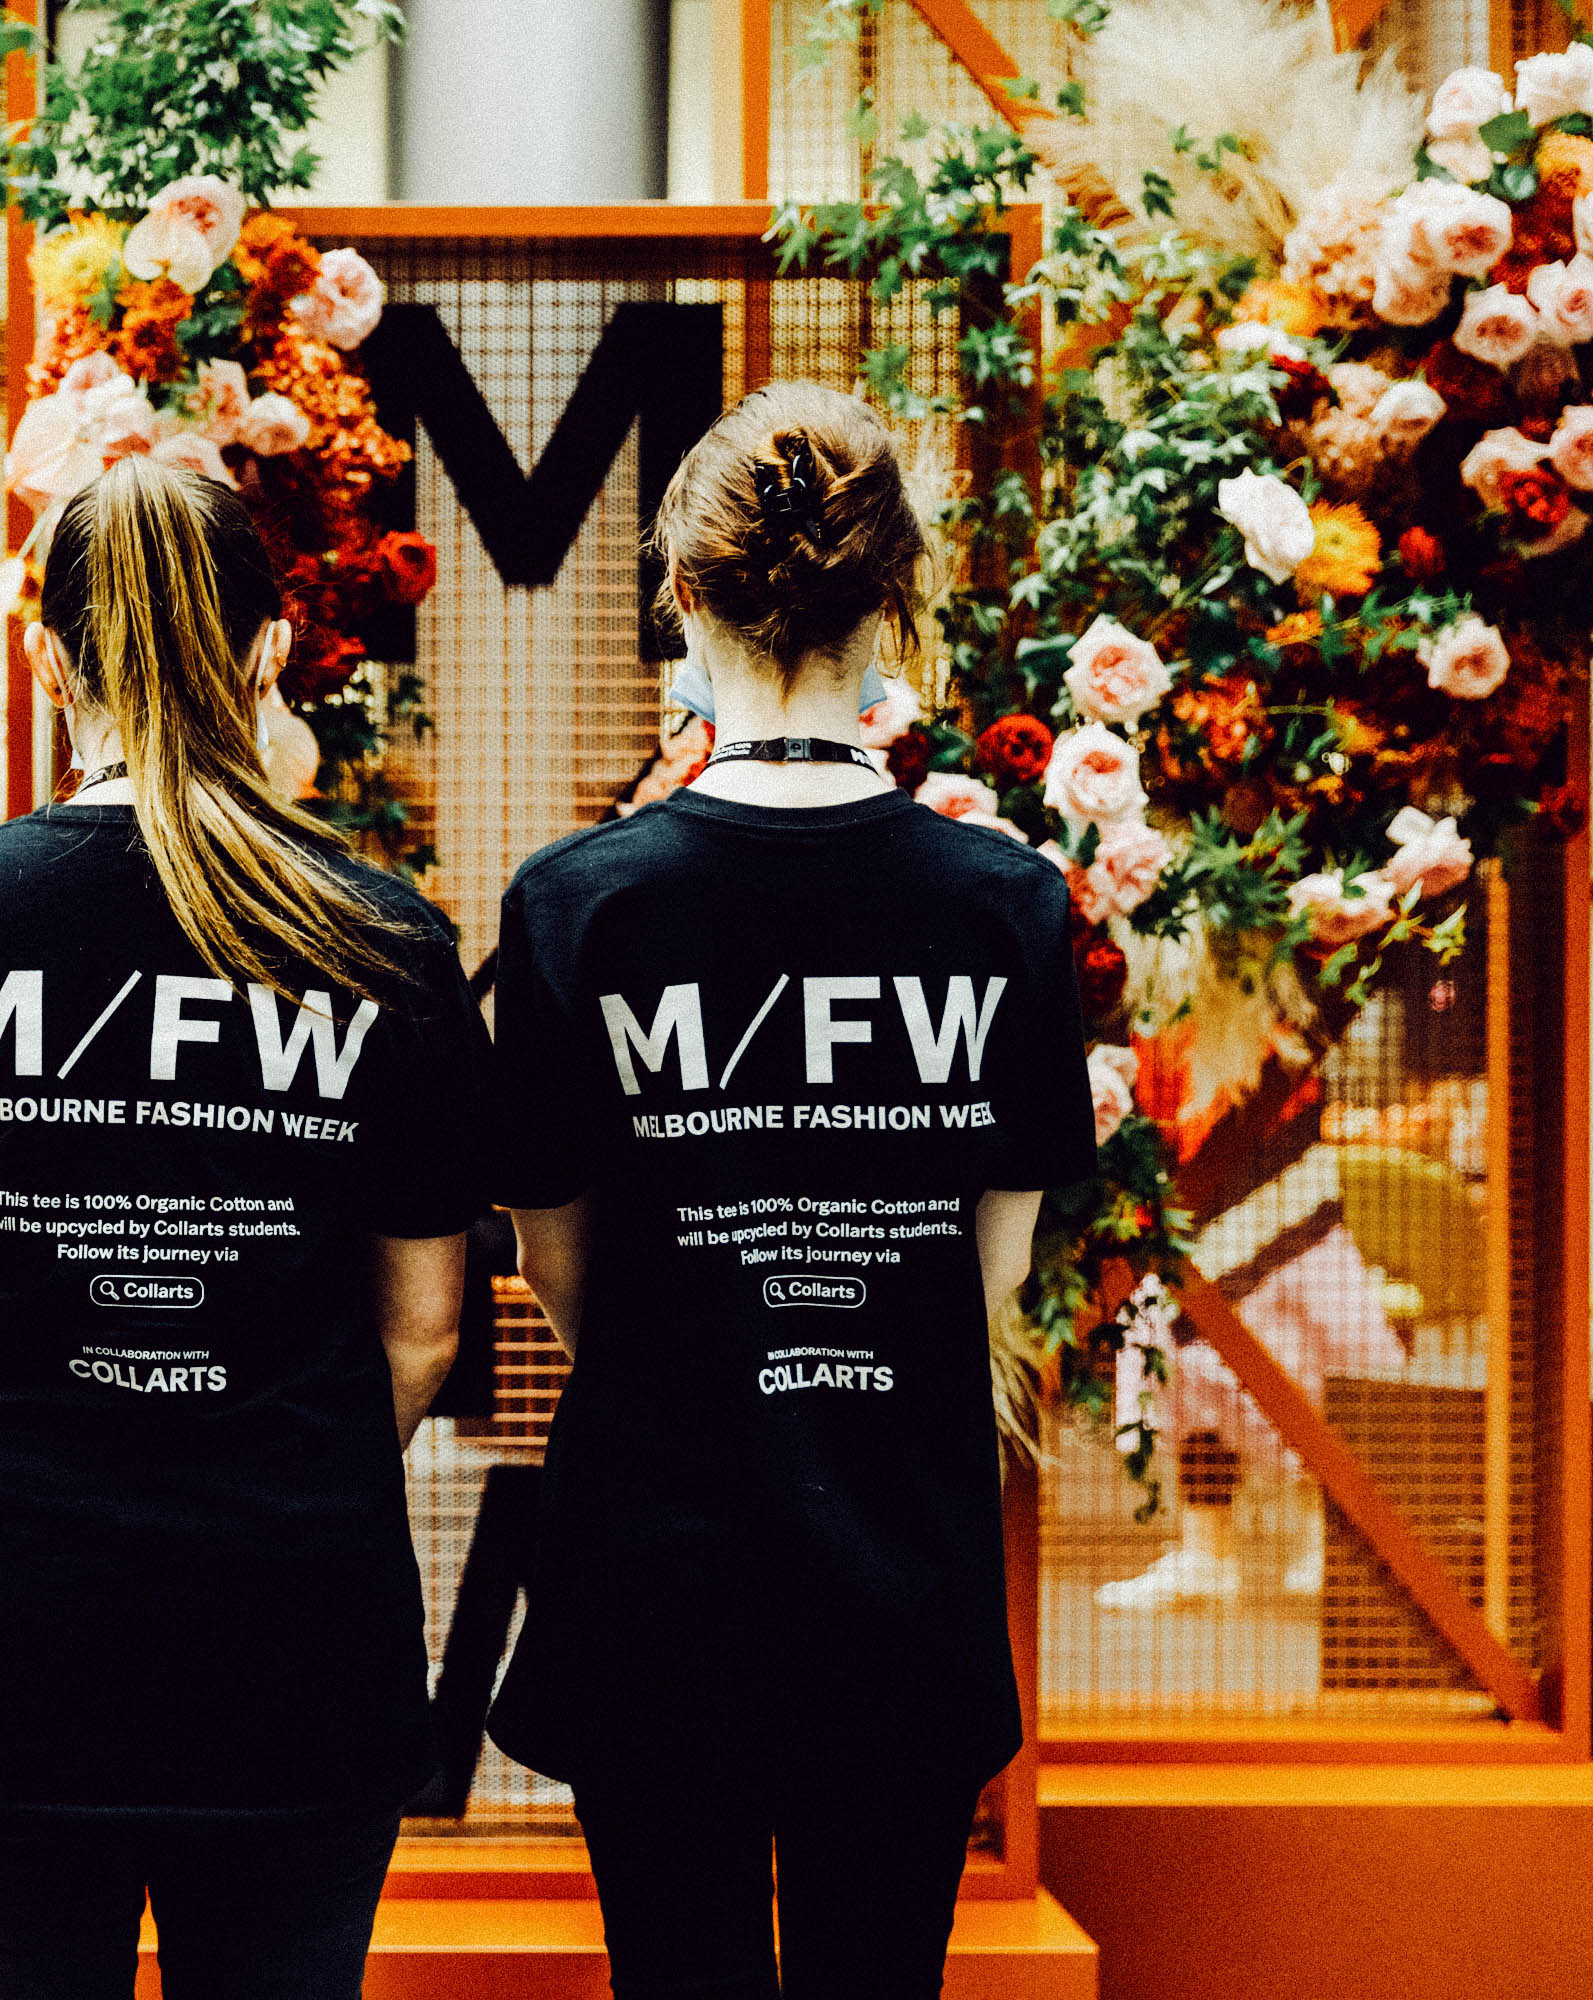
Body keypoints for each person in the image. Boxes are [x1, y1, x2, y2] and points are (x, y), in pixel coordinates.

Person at [0, 454, 491, 2000]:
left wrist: (33, 1427)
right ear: (270, 650)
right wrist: (263, 1443)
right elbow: (428, 1327)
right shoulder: (379, 937)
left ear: (46, 658)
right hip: (294, 1635)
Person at [482, 381, 1096, 1998]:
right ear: (897, 597)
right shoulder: (1005, 907)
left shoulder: (575, 908)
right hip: (900, 1563)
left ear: (677, 593)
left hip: (655, 1568)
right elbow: (994, 1266)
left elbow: (562, 1267)